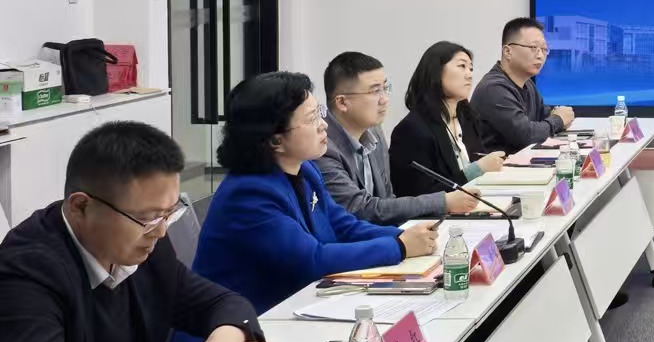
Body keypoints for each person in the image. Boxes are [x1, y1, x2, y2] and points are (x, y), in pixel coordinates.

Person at [0, 122, 277, 342]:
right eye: (148, 218)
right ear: (80, 206)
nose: (160, 232)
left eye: (168, 214)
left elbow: (221, 302)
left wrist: (225, 340)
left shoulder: (144, 244)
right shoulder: (26, 271)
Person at [195, 72, 440, 314]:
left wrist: (404, 235)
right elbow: (312, 260)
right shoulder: (248, 194)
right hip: (241, 325)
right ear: (275, 140)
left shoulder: (306, 169)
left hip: (294, 307)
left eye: (319, 112)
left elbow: (343, 227)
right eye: (312, 118)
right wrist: (399, 247)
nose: (324, 125)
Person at [317, 51, 484, 225]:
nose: (384, 99)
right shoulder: (323, 148)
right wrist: (444, 202)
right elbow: (361, 209)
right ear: (342, 102)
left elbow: (387, 197)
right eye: (375, 91)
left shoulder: (374, 131)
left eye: (385, 88)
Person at [390, 42, 508, 199]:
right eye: (462, 66)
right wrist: (476, 170)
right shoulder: (412, 129)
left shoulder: (468, 119)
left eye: (471, 69)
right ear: (436, 71)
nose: (469, 75)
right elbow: (418, 196)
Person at [472, 17, 576, 154]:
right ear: (508, 52)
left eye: (544, 49)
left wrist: (559, 117)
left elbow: (544, 118)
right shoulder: (493, 88)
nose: (540, 55)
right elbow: (526, 135)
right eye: (533, 47)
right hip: (498, 166)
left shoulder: (527, 84)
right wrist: (558, 120)